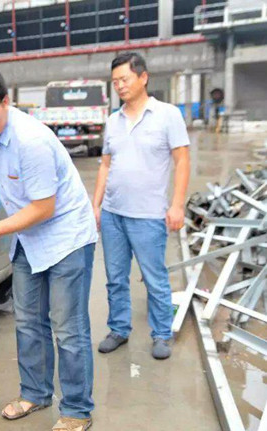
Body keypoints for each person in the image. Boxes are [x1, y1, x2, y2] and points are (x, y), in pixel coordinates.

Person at [0, 69, 97, 431]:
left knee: (68, 328)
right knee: (29, 321)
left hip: (66, 238)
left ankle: (77, 410)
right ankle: (35, 393)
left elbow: (44, 208)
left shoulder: (31, 141)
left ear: (6, 102)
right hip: (29, 239)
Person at [92, 52, 190, 360]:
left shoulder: (167, 114)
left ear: (143, 77)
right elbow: (105, 165)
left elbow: (182, 160)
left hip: (148, 215)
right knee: (115, 278)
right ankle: (119, 329)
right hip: (113, 214)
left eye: (124, 79)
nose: (119, 86)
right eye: (115, 82)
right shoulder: (113, 121)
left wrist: (177, 205)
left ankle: (161, 334)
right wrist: (96, 205)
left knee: (154, 278)